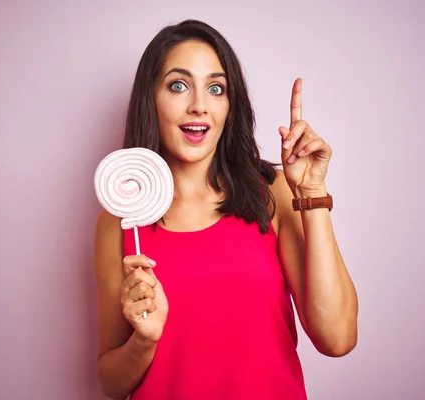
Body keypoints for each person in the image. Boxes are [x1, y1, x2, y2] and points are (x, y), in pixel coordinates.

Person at [93, 19, 358, 400]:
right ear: (150, 99)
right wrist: (144, 342)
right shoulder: (120, 222)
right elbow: (111, 384)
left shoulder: (272, 193)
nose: (199, 105)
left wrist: (312, 193)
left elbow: (338, 338)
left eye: (216, 88)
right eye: (178, 85)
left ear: (230, 106)